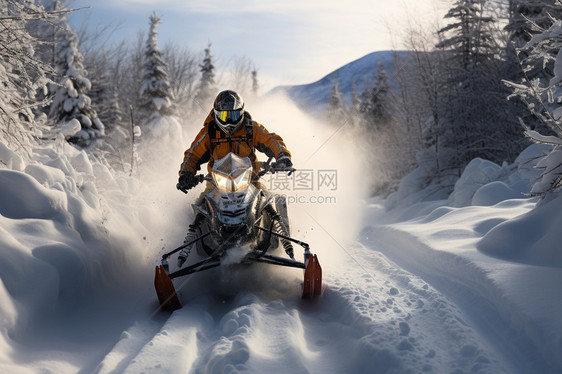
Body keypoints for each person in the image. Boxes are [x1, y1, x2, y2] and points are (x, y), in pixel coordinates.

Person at [175, 90, 294, 267]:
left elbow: (270, 140)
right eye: (224, 115)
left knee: (270, 199)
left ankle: (282, 244)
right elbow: (192, 154)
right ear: (216, 114)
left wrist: (283, 156)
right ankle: (195, 249)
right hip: (216, 183)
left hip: (249, 179)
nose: (229, 121)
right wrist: (186, 173)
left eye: (234, 115)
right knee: (201, 204)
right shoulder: (209, 132)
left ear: (241, 112)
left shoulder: (249, 127)